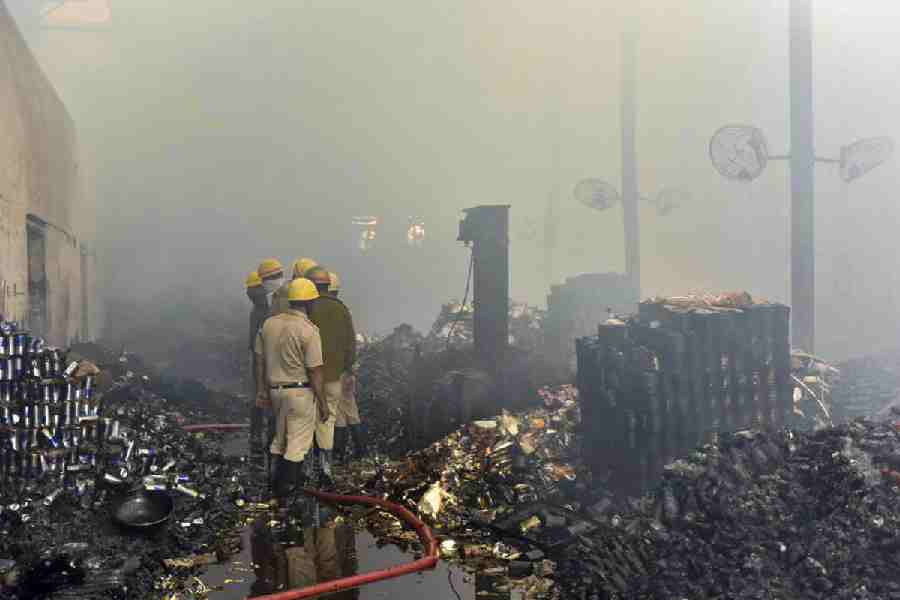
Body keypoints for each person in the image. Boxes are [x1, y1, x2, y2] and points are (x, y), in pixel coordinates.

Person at [255, 278, 330, 504]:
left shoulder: (269, 324)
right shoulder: (309, 330)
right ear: (308, 303)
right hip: (300, 393)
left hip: (275, 391)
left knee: (279, 439)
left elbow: (258, 360)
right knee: (297, 443)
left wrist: (261, 390)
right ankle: (287, 493)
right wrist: (323, 402)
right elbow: (315, 371)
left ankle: (272, 487)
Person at [307, 268, 358, 477]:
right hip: (335, 376)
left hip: (311, 376)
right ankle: (327, 465)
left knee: (309, 421)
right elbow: (350, 342)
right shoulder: (341, 309)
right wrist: (346, 368)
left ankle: (309, 467)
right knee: (330, 420)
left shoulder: (309, 308)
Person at [325, 271, 363, 461]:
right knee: (349, 409)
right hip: (346, 368)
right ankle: (358, 450)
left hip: (335, 370)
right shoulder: (343, 310)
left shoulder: (326, 313)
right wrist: (351, 369)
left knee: (340, 412)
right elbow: (351, 341)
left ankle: (340, 453)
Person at [246, 271, 269, 455]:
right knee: (259, 397)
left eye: (252, 290)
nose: (250, 294)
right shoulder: (258, 310)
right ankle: (257, 435)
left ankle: (259, 435)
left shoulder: (263, 311)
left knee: (260, 397)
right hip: (260, 358)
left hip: (264, 358)